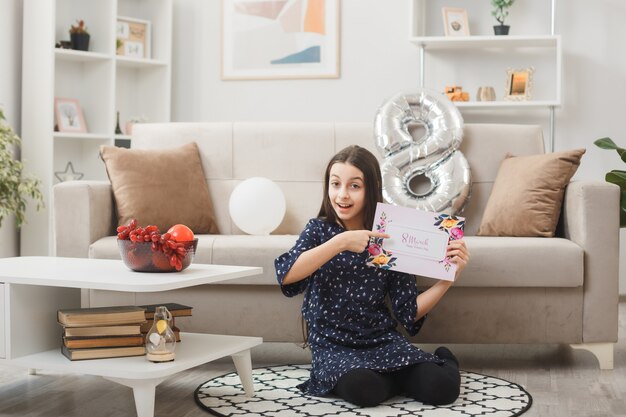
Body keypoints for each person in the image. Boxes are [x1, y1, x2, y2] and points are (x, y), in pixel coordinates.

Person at [275, 145, 470, 408]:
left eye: (354, 186)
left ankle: (441, 361)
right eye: (335, 184)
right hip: (334, 348)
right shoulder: (318, 230)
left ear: (372, 188)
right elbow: (286, 275)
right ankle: (393, 378)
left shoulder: (390, 235)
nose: (342, 195)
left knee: (443, 389)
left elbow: (408, 313)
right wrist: (340, 242)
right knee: (363, 389)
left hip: (381, 340)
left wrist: (448, 278)